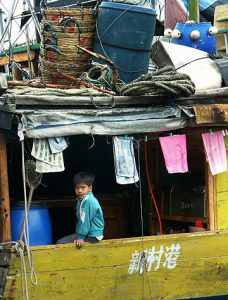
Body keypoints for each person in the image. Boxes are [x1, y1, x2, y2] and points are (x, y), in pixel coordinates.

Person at [57, 171, 104, 248]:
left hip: (92, 236)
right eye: (77, 187)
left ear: (90, 188)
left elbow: (85, 220)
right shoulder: (82, 199)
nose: (79, 190)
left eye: (83, 187)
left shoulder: (89, 201)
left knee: (60, 243)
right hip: (88, 233)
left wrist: (81, 238)